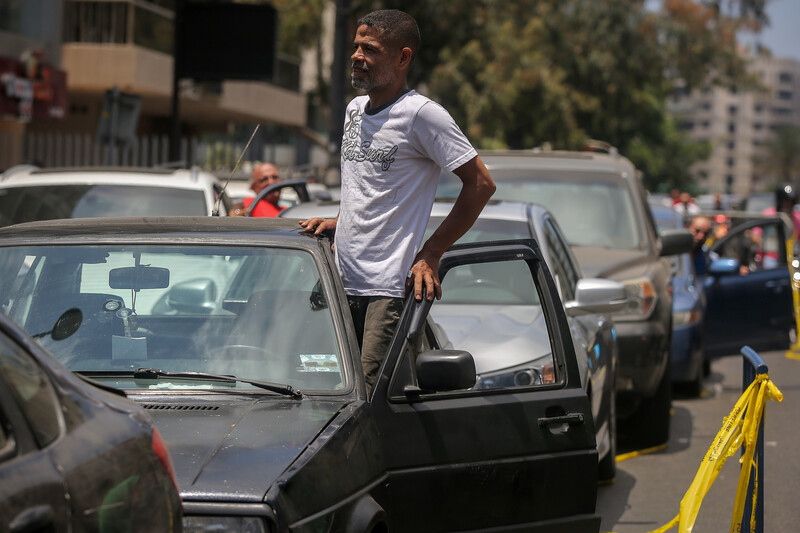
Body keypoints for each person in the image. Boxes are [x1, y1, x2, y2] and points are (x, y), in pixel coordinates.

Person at [299, 9, 496, 393]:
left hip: (387, 291)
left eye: (369, 49)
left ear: (402, 58)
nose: (357, 55)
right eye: (356, 46)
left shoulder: (423, 116)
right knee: (318, 392)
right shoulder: (354, 110)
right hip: (339, 282)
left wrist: (432, 252)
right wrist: (343, 219)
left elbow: (481, 184)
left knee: (365, 403)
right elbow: (367, 182)